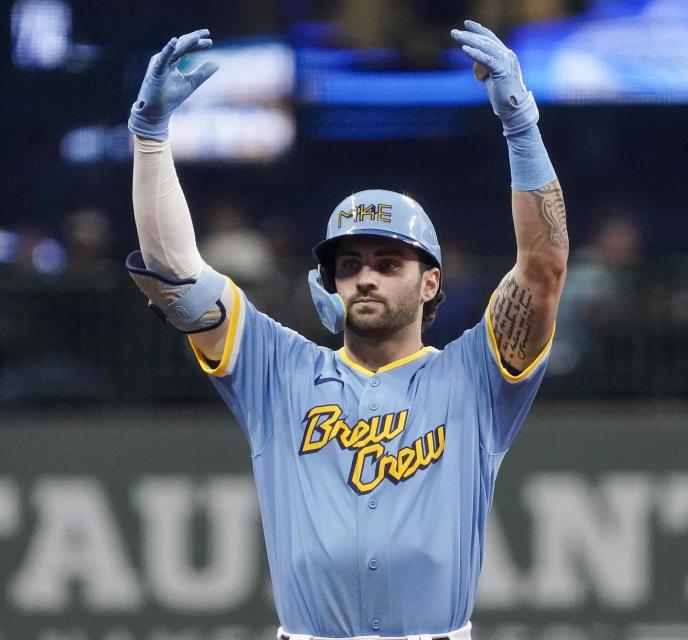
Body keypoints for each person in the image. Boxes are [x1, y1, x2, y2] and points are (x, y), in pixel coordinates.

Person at [124, 21, 568, 640]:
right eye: (350, 264)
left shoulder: (475, 375)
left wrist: (523, 130)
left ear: (431, 283)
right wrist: (149, 137)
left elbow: (542, 270)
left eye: (389, 264)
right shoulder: (276, 368)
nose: (366, 278)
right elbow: (174, 269)